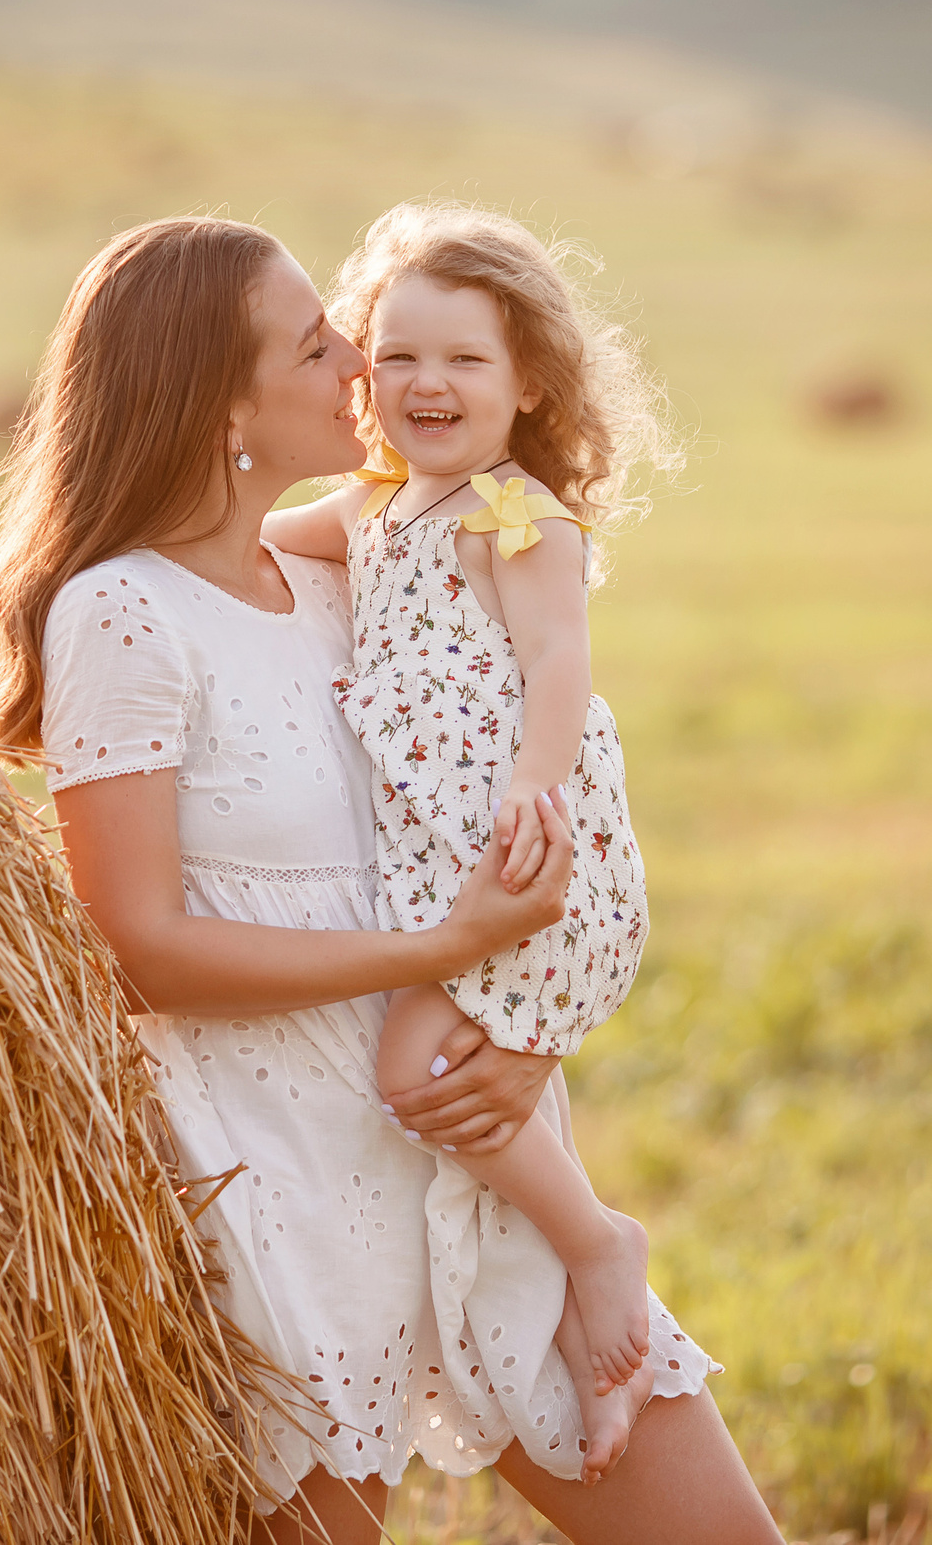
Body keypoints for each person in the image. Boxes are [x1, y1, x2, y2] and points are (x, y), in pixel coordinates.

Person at [0, 215, 779, 1544]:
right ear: (221, 402)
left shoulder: (361, 570)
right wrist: (435, 952)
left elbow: (514, 822)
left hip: (465, 1141)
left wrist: (525, 1036)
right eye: (318, 339)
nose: (361, 358)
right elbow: (143, 947)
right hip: (285, 1186)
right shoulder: (124, 610)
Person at [261, 202, 672, 1474]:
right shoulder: (376, 510)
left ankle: (600, 1240)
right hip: (434, 864)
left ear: (528, 382)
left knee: (416, 1080)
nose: (426, 384)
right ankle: (567, 1309)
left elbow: (559, 661)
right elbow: (251, 542)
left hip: (515, 851)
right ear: (363, 373)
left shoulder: (516, 516)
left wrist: (530, 796)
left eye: (464, 361)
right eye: (396, 357)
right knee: (468, 1084)